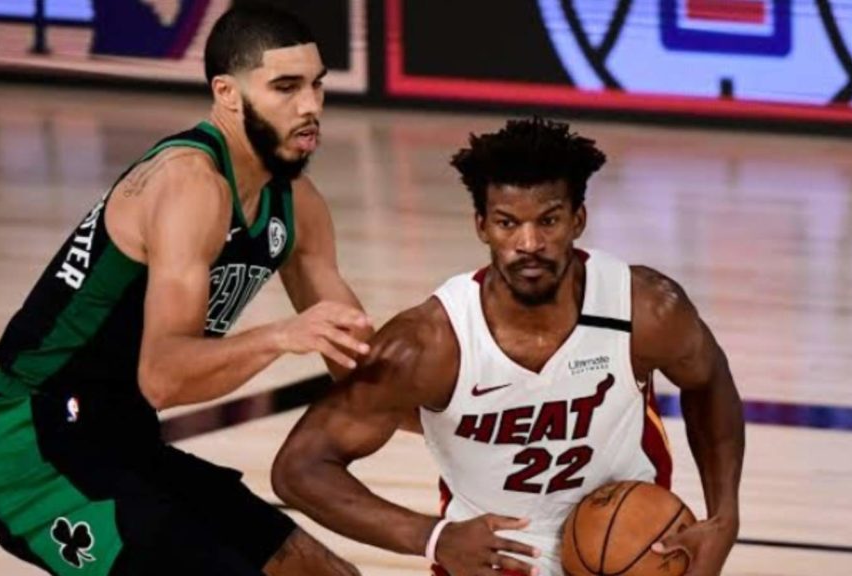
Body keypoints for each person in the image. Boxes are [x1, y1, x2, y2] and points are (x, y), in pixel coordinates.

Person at [0, 4, 371, 575]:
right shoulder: (186, 184)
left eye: (317, 85)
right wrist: (279, 336)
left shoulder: (297, 204)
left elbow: (363, 363)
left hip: (119, 440)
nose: (311, 106)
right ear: (226, 93)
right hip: (28, 447)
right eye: (286, 87)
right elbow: (165, 377)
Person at [272, 117, 745, 576]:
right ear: (481, 226)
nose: (529, 242)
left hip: (637, 549)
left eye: (549, 220)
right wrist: (434, 538)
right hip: (494, 563)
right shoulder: (432, 343)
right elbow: (300, 469)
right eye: (507, 222)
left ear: (578, 220)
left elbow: (708, 378)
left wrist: (724, 517)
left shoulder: (642, 310)